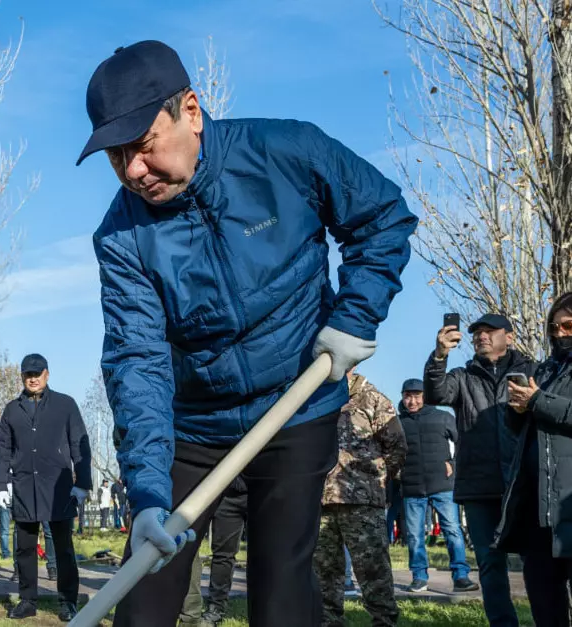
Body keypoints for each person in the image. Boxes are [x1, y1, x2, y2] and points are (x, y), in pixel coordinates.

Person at [81, 40, 417, 626]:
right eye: (117, 157)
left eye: (142, 147)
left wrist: (355, 315)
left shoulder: (285, 151)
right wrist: (149, 497)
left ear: (190, 111)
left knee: (281, 592)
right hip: (193, 425)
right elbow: (138, 360)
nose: (132, 170)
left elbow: (382, 216)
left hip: (295, 404)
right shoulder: (120, 236)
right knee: (146, 600)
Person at [425, 313, 533, 623]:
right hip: (478, 485)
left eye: (490, 331)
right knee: (489, 562)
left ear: (509, 336)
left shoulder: (531, 371)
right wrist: (440, 355)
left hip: (525, 483)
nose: (481, 336)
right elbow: (436, 394)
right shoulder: (463, 376)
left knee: (538, 561)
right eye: (477, 333)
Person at [0, 354, 91, 621]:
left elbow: (79, 445)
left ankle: (68, 601)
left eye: (37, 373)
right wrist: (0, 485)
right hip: (24, 486)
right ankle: (27, 600)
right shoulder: (12, 409)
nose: (33, 378)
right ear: (22, 377)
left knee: (63, 548)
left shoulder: (65, 405)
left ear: (47, 374)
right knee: (24, 547)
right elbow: (2, 450)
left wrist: (82, 483)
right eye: (28, 374)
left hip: (59, 487)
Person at [499, 292, 572, 627]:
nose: (559, 333)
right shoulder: (543, 370)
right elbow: (527, 429)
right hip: (539, 508)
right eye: (553, 327)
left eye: (567, 325)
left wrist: (538, 401)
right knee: (544, 600)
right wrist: (517, 411)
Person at [313, 370, 406, 627]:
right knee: (324, 570)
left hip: (362, 502)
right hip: (322, 500)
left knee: (373, 569)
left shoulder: (372, 398)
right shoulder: (316, 398)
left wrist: (375, 480)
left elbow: (398, 446)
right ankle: (329, 622)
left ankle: (384, 621)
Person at [396, 378, 476, 592]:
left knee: (452, 530)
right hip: (412, 488)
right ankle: (419, 577)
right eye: (407, 396)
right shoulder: (397, 423)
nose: (412, 401)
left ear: (425, 396)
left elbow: (463, 442)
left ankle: (461, 576)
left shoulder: (443, 417)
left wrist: (453, 464)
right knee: (414, 535)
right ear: (402, 397)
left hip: (443, 486)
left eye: (416, 396)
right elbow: (389, 450)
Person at [178, 477, 247, 627]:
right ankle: (216, 610)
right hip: (227, 489)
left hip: (266, 486)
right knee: (223, 554)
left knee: (268, 556)